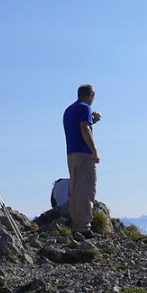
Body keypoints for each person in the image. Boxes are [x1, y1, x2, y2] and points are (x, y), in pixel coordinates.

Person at [63, 84, 102, 238]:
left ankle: (76, 224)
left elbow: (79, 126)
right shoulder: (85, 108)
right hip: (84, 154)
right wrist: (94, 151)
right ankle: (84, 227)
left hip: (71, 154)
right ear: (90, 95)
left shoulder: (69, 110)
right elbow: (84, 128)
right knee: (86, 190)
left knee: (76, 189)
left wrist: (93, 121)